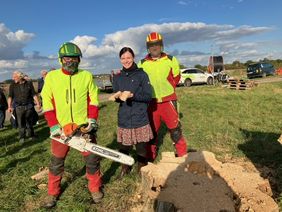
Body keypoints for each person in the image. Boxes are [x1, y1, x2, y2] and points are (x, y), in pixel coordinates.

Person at [41, 42, 103, 208]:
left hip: (82, 127)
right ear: (61, 59)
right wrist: (53, 124)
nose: (71, 61)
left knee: (91, 159)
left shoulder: (86, 76)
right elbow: (46, 102)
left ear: (79, 60)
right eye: (67, 58)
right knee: (56, 162)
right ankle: (52, 193)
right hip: (60, 128)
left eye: (74, 58)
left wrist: (92, 119)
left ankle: (95, 188)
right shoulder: (52, 77)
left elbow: (93, 99)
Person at [138, 32, 187, 161]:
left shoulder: (171, 59)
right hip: (151, 103)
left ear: (162, 45)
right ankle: (150, 158)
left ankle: (182, 156)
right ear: (148, 47)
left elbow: (176, 76)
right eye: (151, 45)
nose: (155, 47)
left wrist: (169, 88)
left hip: (168, 100)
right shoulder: (142, 63)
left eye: (157, 44)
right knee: (152, 132)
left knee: (175, 129)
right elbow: (138, 81)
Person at [109, 47, 153, 178]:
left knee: (141, 148)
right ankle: (125, 168)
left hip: (140, 117)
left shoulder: (142, 75)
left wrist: (132, 95)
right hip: (124, 118)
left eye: (128, 57)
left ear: (133, 58)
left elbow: (148, 96)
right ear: (120, 60)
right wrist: (117, 96)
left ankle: (142, 169)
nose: (126, 61)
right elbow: (119, 98)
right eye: (123, 58)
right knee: (124, 147)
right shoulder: (117, 77)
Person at [7, 71, 41, 142]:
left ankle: (32, 135)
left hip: (29, 106)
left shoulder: (29, 83)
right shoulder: (13, 85)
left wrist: (38, 103)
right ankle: (22, 137)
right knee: (20, 123)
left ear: (20, 77)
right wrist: (9, 107)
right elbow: (10, 96)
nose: (13, 78)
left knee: (29, 122)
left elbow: (34, 94)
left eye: (15, 77)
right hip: (18, 107)